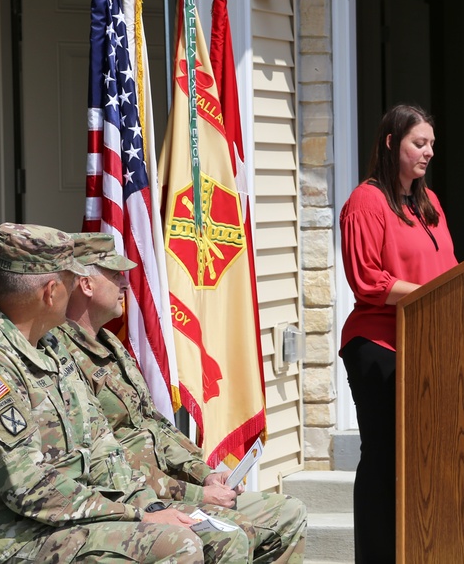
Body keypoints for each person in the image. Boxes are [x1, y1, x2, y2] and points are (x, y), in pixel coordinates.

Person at [0, 223, 250, 564]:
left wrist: (149, 504)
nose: (74, 293)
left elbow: (102, 449)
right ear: (51, 292)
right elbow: (29, 490)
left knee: (222, 535)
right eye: (72, 282)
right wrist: (135, 516)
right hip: (8, 538)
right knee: (178, 545)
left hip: (71, 518)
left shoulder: (52, 348)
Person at [49, 232, 307, 563]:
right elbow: (107, 458)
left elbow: (155, 426)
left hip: (172, 485)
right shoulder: (59, 359)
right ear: (86, 284)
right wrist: (198, 493)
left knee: (289, 512)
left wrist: (205, 472)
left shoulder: (110, 344)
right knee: (231, 534)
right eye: (115, 275)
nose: (125, 285)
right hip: (135, 497)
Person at [339, 104, 458, 563]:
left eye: (431, 144)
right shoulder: (367, 200)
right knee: (385, 460)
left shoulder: (428, 204)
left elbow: (449, 271)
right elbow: (368, 279)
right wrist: (432, 292)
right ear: (392, 143)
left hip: (426, 346)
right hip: (379, 346)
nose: (428, 152)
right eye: (418, 143)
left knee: (423, 460)